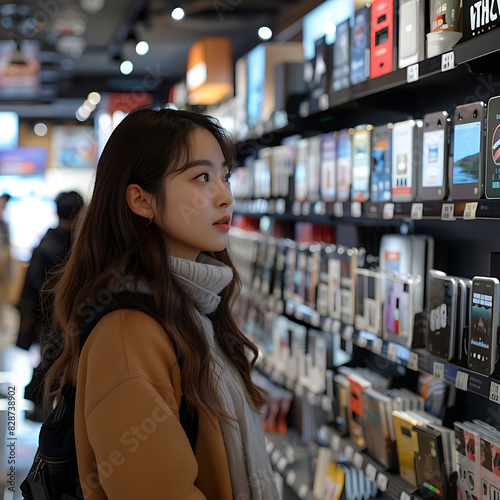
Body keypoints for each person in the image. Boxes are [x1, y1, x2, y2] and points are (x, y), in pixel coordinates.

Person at [43, 106, 279, 499]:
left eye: (225, 176)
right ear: (141, 200)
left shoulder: (194, 310)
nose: (225, 196)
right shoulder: (128, 336)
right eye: (202, 177)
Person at [16, 191, 84, 351]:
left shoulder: (49, 241)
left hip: (51, 318)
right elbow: (35, 280)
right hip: (56, 319)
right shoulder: (71, 245)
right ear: (78, 215)